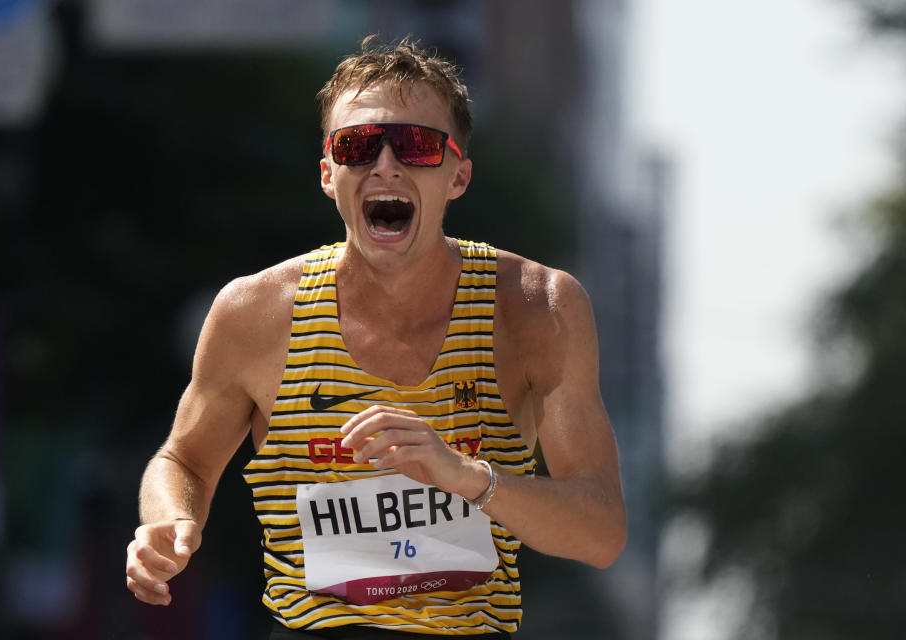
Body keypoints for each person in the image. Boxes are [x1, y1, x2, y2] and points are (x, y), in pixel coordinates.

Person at [125, 35, 627, 638]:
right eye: (358, 145)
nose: (384, 165)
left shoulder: (536, 309)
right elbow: (183, 459)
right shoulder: (254, 314)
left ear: (458, 175)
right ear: (328, 174)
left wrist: (467, 478)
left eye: (415, 146)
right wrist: (168, 521)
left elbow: (600, 532)